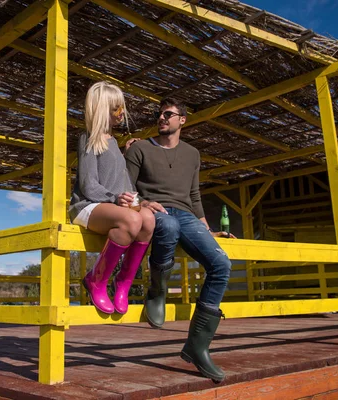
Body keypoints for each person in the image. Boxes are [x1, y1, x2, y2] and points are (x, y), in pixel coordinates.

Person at [124, 98, 235, 383]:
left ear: (182, 120)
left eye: (168, 114)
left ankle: (197, 346)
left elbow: (195, 197)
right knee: (168, 225)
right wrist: (143, 203)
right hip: (154, 211)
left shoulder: (193, 154)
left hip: (186, 215)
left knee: (221, 263)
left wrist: (207, 231)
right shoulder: (139, 148)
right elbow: (124, 189)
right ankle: (157, 291)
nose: (161, 118)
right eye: (159, 114)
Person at [69, 81, 155, 315]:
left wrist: (139, 203)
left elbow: (123, 186)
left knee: (147, 219)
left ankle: (123, 283)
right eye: (117, 107)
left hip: (112, 206)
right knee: (132, 221)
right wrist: (115, 199)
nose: (122, 113)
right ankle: (97, 279)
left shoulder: (115, 145)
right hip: (87, 205)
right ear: (103, 108)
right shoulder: (88, 138)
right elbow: (88, 185)